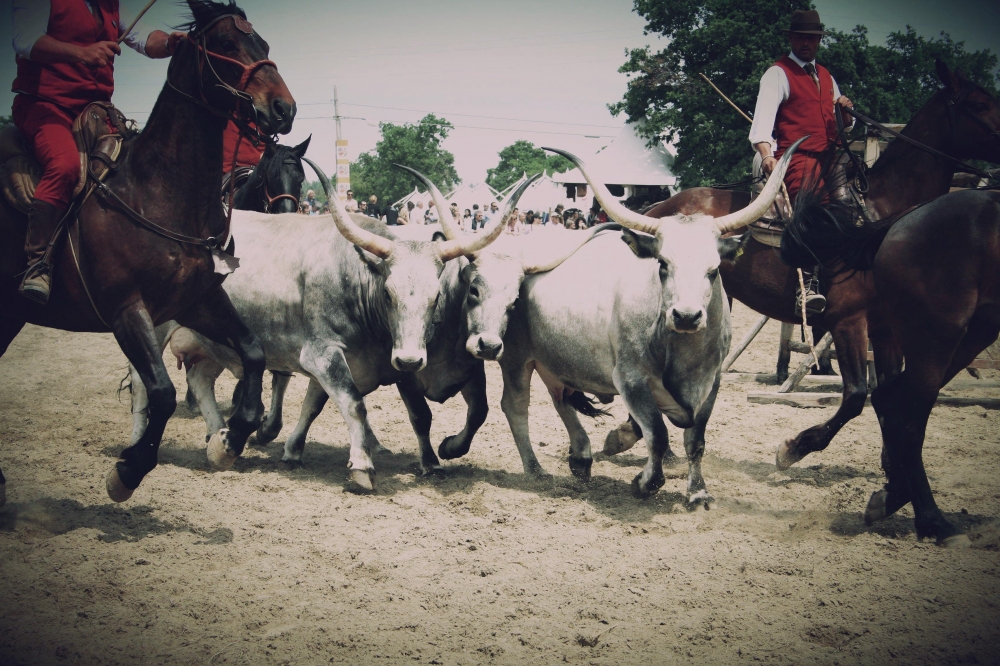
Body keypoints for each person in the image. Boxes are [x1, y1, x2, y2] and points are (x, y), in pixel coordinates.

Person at [11, 0, 184, 304]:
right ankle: (37, 263)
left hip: (94, 114)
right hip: (44, 106)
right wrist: (81, 53)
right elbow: (24, 39)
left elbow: (145, 39)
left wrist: (170, 42)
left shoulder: (111, 6)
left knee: (137, 169)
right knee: (64, 166)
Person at [749, 9, 854, 314]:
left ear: (819, 41)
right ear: (792, 38)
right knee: (814, 210)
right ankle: (807, 287)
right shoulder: (777, 74)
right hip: (798, 157)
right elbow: (761, 126)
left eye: (812, 38)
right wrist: (768, 156)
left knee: (858, 205)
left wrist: (845, 112)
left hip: (831, 154)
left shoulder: (827, 76)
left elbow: (844, 126)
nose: (807, 43)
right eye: (801, 37)